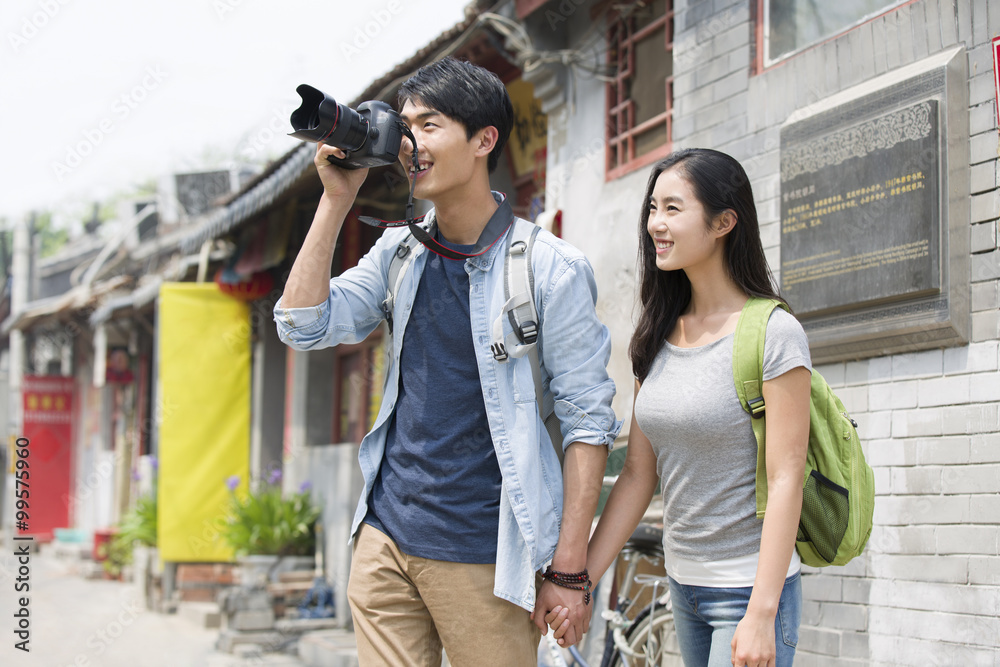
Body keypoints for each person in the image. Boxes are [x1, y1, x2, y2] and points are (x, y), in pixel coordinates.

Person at [273, 57, 620, 667]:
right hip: (384, 541)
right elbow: (302, 327)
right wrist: (334, 202)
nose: (410, 143)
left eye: (429, 125)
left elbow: (588, 422)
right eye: (404, 126)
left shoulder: (549, 269)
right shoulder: (400, 253)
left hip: (487, 556)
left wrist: (569, 569)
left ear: (484, 139)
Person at [546, 148, 811, 667]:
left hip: (747, 592)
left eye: (672, 208)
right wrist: (580, 582)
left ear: (723, 222)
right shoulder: (658, 335)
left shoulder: (775, 334)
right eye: (652, 209)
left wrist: (761, 612)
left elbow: (787, 477)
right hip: (683, 585)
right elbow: (639, 477)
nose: (655, 224)